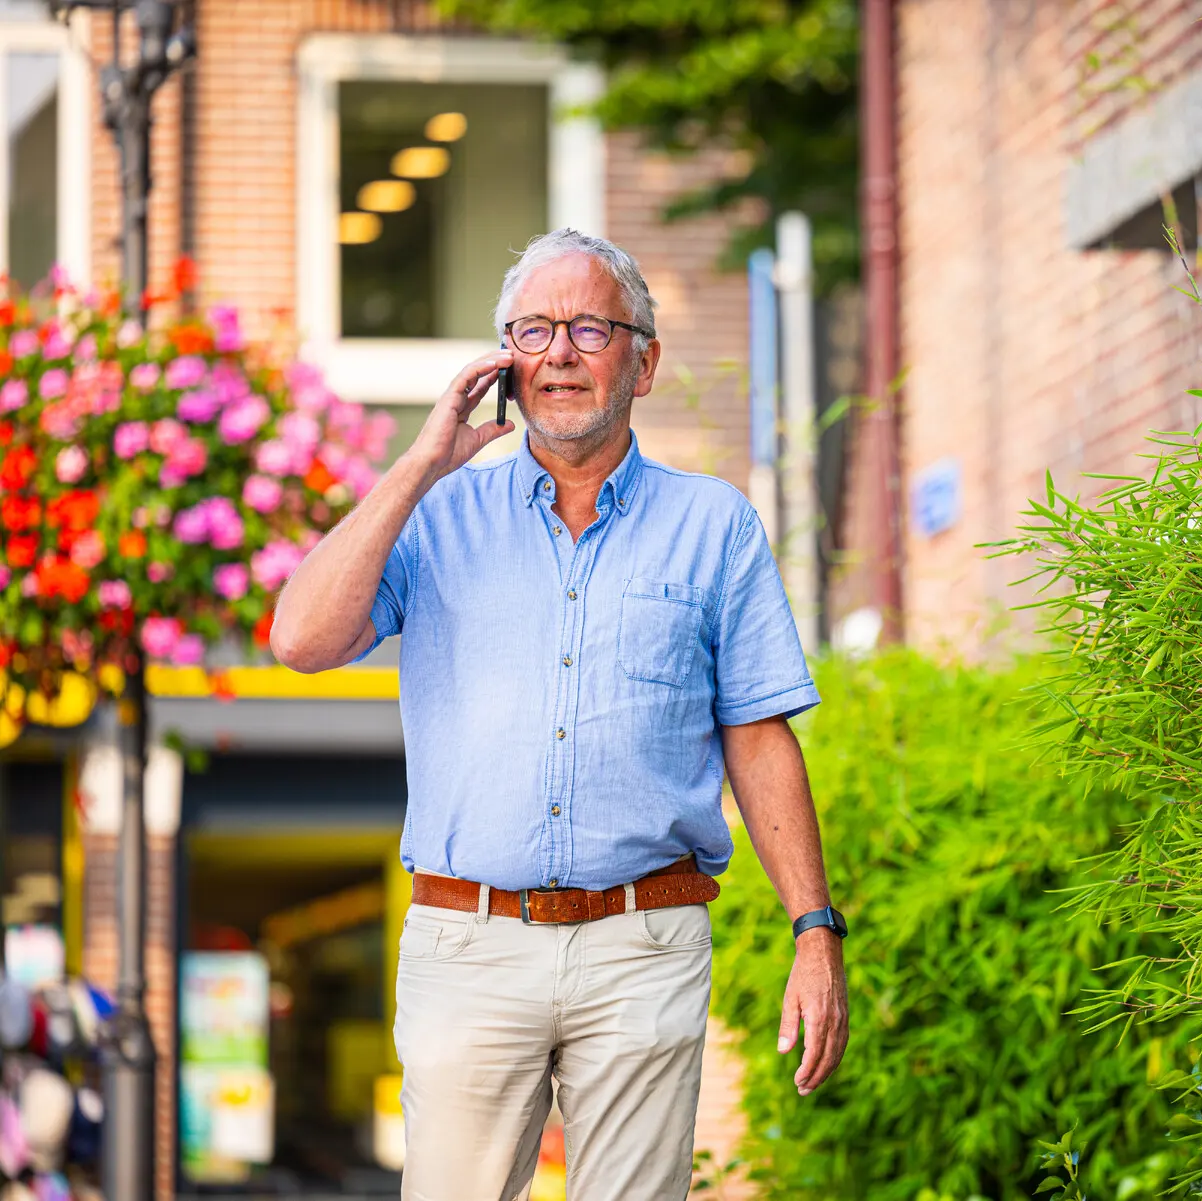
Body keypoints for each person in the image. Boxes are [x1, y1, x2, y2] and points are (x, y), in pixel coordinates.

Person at [268, 228, 849, 1200]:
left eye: (589, 326)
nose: (561, 352)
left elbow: (757, 733)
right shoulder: (440, 516)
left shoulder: (714, 526)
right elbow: (300, 639)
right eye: (533, 330)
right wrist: (422, 463)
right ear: (503, 361)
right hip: (469, 941)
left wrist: (814, 928)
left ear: (646, 361)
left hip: (643, 941)